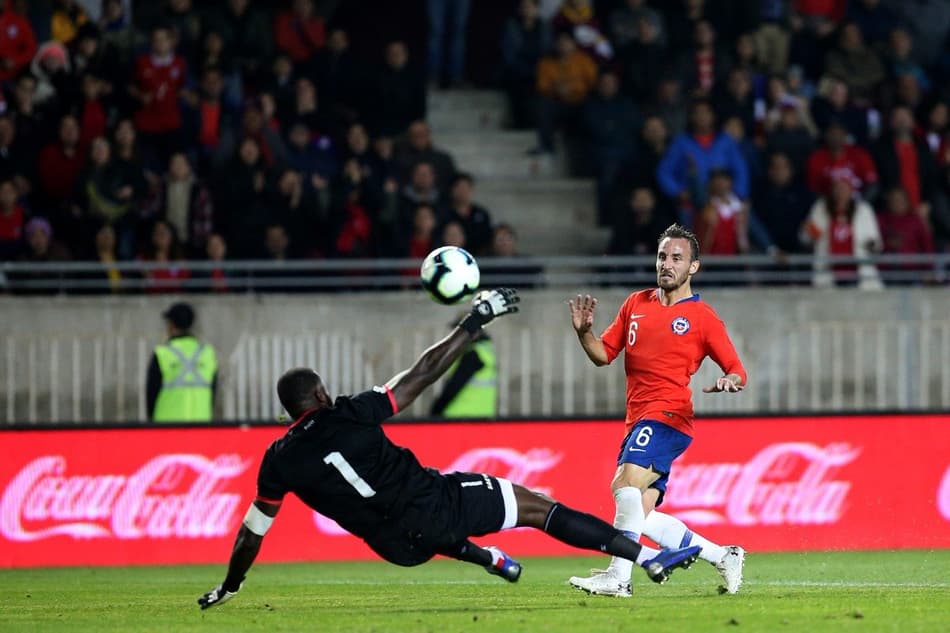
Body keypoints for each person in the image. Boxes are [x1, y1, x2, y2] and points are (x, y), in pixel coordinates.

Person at [197, 289, 702, 609]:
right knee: (537, 508)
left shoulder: (279, 459)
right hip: (436, 503)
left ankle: (488, 560)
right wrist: (472, 322)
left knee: (417, 524)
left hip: (395, 549)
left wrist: (232, 584)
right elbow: (417, 377)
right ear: (322, 395)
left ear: (289, 411)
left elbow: (252, 531)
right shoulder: (347, 412)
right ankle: (644, 558)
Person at [566, 223, 747, 598]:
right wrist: (585, 333)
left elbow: (737, 369)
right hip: (638, 419)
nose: (667, 264)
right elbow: (603, 355)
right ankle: (724, 555)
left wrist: (731, 379)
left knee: (624, 484)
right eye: (662, 256)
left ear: (693, 267)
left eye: (677, 258)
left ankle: (619, 576)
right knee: (639, 515)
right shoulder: (635, 304)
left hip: (668, 416)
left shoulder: (703, 318)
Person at [146, 301, 218, 423]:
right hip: (201, 429)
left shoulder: (162, 354)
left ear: (171, 325)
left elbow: (151, 397)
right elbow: (213, 394)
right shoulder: (208, 354)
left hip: (167, 430)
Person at [430, 317, 497, 419]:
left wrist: (436, 410)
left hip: (461, 417)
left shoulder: (473, 354)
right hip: (481, 415)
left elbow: (454, 386)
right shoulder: (485, 350)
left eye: (459, 332)